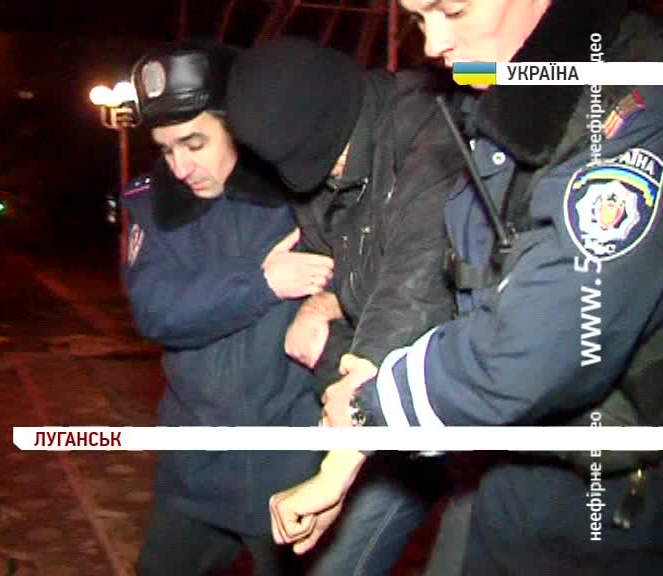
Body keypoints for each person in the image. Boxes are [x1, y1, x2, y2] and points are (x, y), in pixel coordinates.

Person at [266, 1, 663, 574]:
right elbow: (453, 285)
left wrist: (370, 408)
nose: (432, 44)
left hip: (622, 505)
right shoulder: (495, 103)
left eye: (452, 9)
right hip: (515, 471)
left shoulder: (635, 102)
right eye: (418, 18)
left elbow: (532, 349)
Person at [227, 37, 467, 575]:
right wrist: (324, 330)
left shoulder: (428, 123)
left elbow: (416, 279)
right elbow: (340, 304)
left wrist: (349, 427)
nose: (327, 176)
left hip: (488, 415)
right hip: (392, 407)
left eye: (330, 157)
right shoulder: (315, 179)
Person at [122, 40, 334, 576]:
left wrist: (323, 303)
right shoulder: (154, 204)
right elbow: (156, 311)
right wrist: (262, 284)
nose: (180, 166)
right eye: (166, 149)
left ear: (238, 127)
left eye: (194, 143)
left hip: (293, 465)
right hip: (195, 468)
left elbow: (370, 284)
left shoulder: (305, 191)